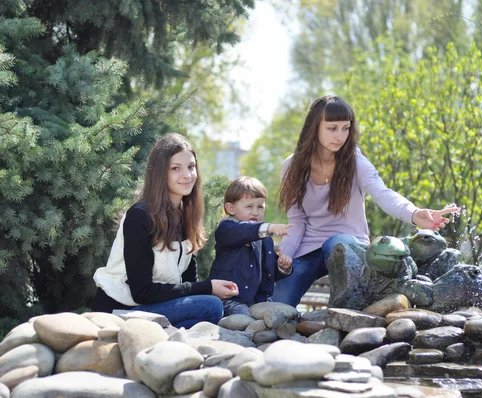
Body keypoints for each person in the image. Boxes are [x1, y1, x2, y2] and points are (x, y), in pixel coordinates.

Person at [271, 95, 460, 307]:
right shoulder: (293, 165)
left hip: (350, 246)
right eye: (332, 128)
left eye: (345, 128)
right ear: (314, 127)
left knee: (338, 245)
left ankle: (344, 320)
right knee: (278, 305)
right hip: (309, 248)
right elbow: (296, 218)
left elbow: (383, 193)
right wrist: (286, 253)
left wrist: (414, 214)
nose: (340, 136)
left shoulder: (355, 161)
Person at [90, 133, 239, 328]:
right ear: (160, 173)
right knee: (210, 306)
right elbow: (142, 292)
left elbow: (187, 281)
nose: (187, 175)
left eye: (191, 167)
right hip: (120, 310)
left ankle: (162, 339)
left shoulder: (186, 216)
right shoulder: (140, 216)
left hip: (153, 307)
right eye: (176, 168)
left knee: (209, 313)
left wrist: (210, 288)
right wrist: (208, 287)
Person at [209, 176, 293, 317]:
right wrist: (270, 227)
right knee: (246, 318)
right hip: (229, 299)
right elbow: (245, 231)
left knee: (282, 316)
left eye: (260, 207)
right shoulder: (227, 229)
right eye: (249, 206)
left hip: (257, 300)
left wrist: (282, 266)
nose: (255, 212)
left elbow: (269, 272)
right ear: (230, 208)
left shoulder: (265, 240)